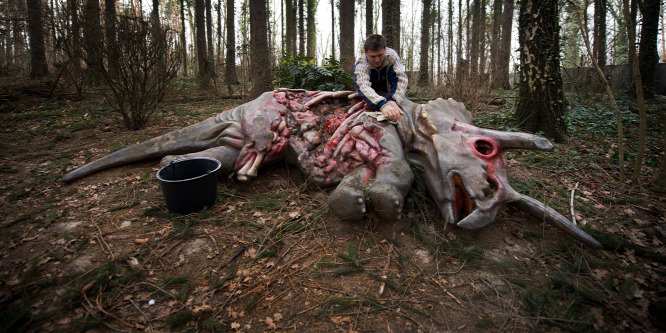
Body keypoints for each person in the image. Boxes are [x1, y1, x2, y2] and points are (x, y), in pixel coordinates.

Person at [353, 34, 409, 123]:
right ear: (365, 53)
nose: (377, 60)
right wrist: (382, 105)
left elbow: (400, 79)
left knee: (407, 110)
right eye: (372, 56)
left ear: (385, 50)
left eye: (380, 55)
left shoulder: (392, 57)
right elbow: (363, 86)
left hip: (390, 93)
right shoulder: (361, 64)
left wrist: (393, 100)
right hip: (370, 95)